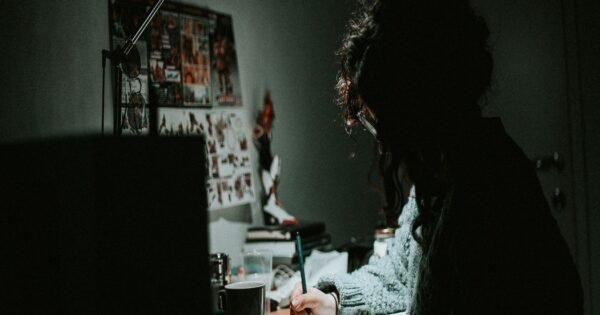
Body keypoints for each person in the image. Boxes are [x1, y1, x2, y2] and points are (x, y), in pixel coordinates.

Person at [290, 0, 583, 314]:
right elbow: (400, 276)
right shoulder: (438, 175)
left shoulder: (486, 190)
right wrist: (336, 301)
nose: (380, 136)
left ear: (417, 101)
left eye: (379, 117)